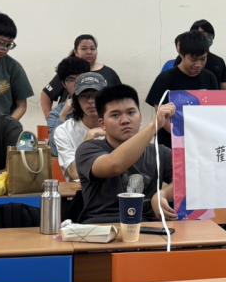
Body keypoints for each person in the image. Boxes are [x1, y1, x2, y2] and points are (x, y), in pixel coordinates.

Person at [76, 85, 177, 223]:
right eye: (115, 115)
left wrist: (164, 193)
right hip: (101, 227)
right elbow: (114, 165)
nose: (125, 120)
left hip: (148, 228)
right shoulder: (88, 149)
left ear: (140, 117)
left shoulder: (159, 152)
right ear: (102, 124)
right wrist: (154, 126)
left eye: (131, 113)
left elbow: (189, 180)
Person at [145, 31, 220, 148]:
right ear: (181, 54)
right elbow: (160, 114)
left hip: (201, 142)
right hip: (170, 144)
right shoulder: (166, 78)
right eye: (193, 59)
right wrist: (181, 136)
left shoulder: (210, 77)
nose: (198, 64)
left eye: (203, 59)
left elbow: (215, 109)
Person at [39, 34, 120, 120]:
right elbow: (46, 94)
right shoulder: (68, 71)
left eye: (92, 49)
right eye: (84, 49)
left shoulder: (109, 73)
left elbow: (120, 99)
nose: (89, 52)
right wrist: (50, 117)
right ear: (76, 52)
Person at [53, 71, 104, 180]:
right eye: (84, 96)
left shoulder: (116, 125)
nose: (90, 101)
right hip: (80, 189)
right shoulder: (64, 131)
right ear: (76, 100)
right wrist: (88, 141)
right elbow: (75, 173)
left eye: (96, 95)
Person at [44, 57, 90, 131]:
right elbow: (54, 138)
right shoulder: (56, 114)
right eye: (71, 79)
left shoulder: (99, 105)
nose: (77, 83)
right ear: (64, 84)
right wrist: (63, 115)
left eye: (81, 78)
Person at [190, 20, 226, 90]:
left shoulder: (219, 61)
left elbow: (224, 89)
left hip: (215, 96)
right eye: (202, 34)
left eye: (209, 35)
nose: (207, 38)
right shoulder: (183, 59)